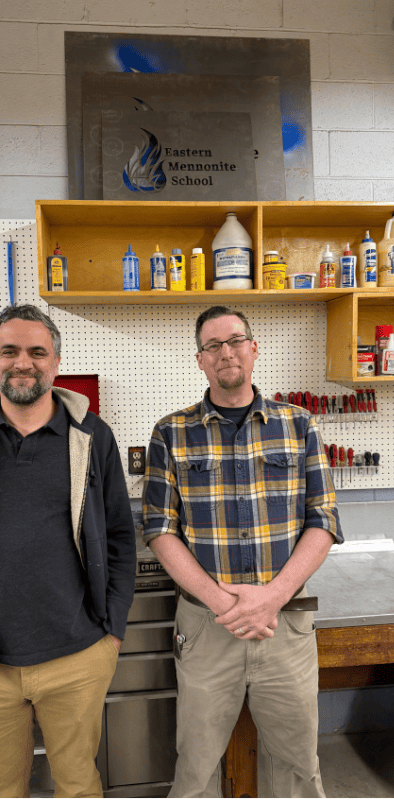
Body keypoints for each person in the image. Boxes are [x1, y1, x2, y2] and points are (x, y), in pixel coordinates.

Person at [0, 304, 136, 799]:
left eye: (37, 352)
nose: (23, 363)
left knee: (79, 787)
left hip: (78, 655)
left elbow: (121, 537)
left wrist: (112, 632)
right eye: (9, 350)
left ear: (55, 363)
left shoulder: (91, 437)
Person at [142, 305, 343, 799]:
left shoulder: (299, 426)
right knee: (196, 769)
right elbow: (160, 531)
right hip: (207, 630)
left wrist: (270, 598)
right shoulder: (170, 433)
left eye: (235, 341)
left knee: (299, 766)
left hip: (285, 626)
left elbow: (325, 522)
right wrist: (222, 603)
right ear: (200, 361)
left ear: (253, 349)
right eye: (213, 346)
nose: (225, 353)